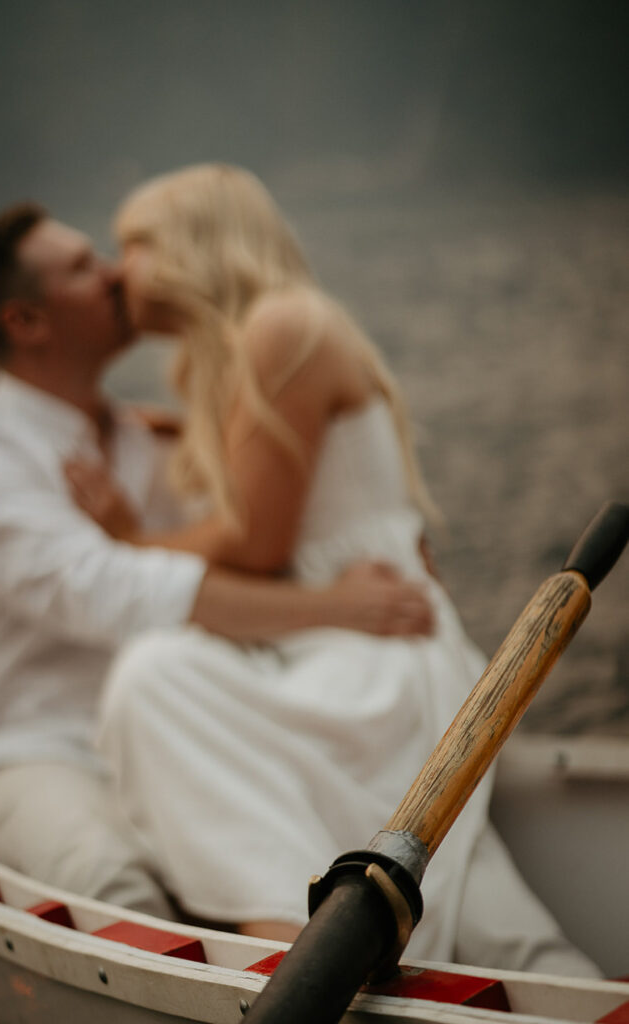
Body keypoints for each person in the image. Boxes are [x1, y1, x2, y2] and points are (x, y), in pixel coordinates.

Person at [65, 164, 602, 974]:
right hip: (337, 639)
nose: (114, 270)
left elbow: (255, 544)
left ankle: (288, 935)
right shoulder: (256, 346)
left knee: (155, 678)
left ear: (191, 248)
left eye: (130, 245)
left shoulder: (282, 325)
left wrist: (121, 536)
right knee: (476, 902)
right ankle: (306, 920)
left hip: (371, 645)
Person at [0, 202, 437, 918]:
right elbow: (114, 592)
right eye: (85, 267)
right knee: (117, 887)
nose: (117, 275)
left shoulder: (152, 444)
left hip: (189, 737)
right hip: (37, 754)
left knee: (329, 852)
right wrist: (334, 608)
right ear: (27, 322)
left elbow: (258, 536)